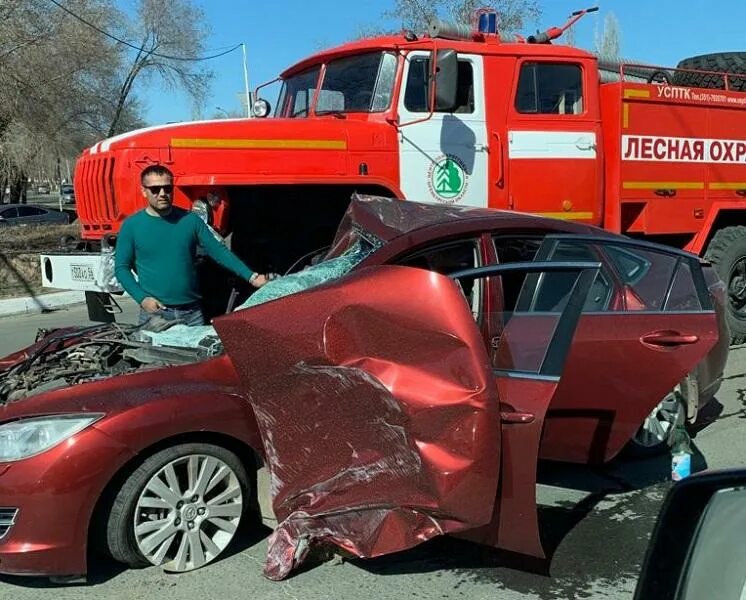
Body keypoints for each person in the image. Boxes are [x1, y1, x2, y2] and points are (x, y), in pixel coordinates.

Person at [115, 165, 268, 326]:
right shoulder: (131, 226)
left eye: (167, 188)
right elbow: (121, 268)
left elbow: (219, 251)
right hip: (155, 314)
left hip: (192, 313)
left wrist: (252, 277)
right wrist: (142, 298)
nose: (162, 194)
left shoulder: (190, 220)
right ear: (143, 191)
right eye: (155, 189)